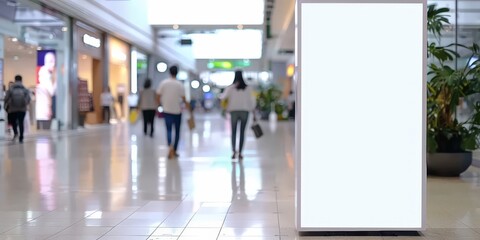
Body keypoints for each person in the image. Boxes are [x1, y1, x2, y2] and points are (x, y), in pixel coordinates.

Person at [156, 65, 193, 159]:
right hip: (177, 111)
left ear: (169, 72)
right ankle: (175, 149)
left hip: (167, 110)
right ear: (177, 72)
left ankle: (170, 147)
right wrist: (189, 109)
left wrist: (159, 105)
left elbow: (158, 96)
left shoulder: (163, 83)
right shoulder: (179, 84)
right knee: (177, 131)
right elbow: (184, 99)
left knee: (168, 130)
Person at [221, 70, 256, 160]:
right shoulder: (248, 88)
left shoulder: (230, 88)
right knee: (242, 133)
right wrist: (253, 112)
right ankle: (240, 152)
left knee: (233, 132)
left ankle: (233, 152)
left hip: (234, 112)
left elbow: (223, 97)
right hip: (245, 111)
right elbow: (252, 101)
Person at [5, 75, 31, 143]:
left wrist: (7, 103)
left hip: (13, 108)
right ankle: (21, 137)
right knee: (21, 122)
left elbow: (6, 98)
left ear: (15, 80)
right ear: (21, 80)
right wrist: (25, 104)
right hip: (22, 109)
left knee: (13, 122)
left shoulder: (11, 88)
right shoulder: (24, 89)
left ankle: (16, 133)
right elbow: (28, 98)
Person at [36, 51, 56, 129]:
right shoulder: (44, 73)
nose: (53, 64)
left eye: (54, 61)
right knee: (45, 130)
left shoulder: (51, 73)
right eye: (50, 61)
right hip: (43, 110)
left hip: (47, 109)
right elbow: (52, 91)